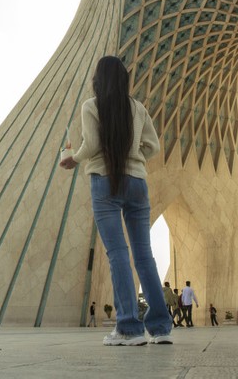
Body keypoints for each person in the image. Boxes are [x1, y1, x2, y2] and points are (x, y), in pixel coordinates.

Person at [59, 56, 172, 346]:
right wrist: (135, 158)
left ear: (99, 79)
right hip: (137, 182)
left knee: (118, 253)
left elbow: (93, 144)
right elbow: (154, 146)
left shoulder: (91, 106)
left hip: (104, 180)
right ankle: (160, 328)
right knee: (144, 255)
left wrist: (75, 158)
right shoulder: (138, 108)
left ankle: (129, 329)